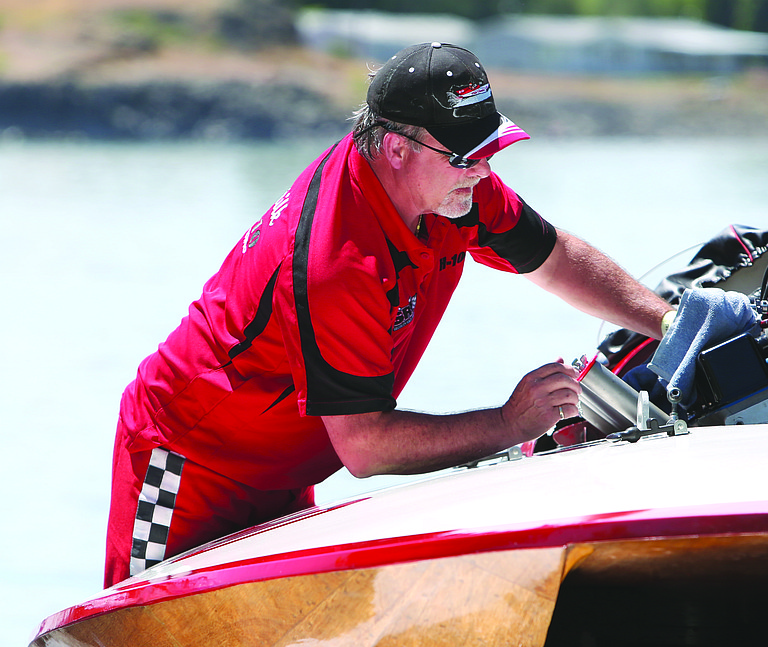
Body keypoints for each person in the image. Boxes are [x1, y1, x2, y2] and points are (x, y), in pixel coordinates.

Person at [104, 42, 675, 587]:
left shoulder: (453, 188)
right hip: (188, 465)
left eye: (489, 147)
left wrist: (671, 325)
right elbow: (366, 447)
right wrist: (509, 423)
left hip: (286, 466)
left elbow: (551, 258)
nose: (483, 169)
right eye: (465, 154)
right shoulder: (338, 261)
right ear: (397, 148)